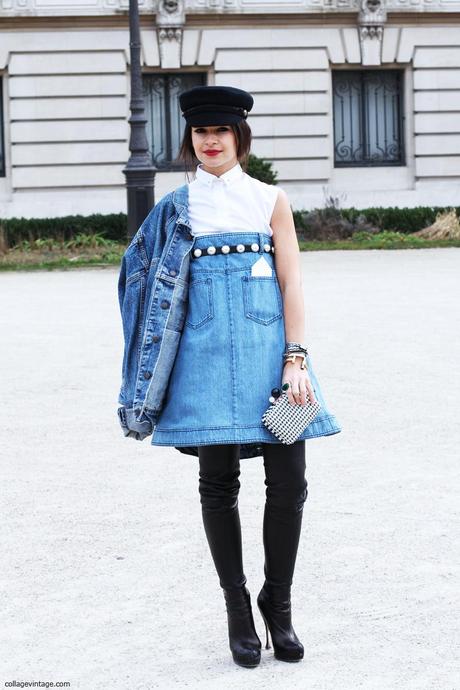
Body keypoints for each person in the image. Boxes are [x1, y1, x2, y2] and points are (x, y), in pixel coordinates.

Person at [117, 85, 341, 668]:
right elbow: (138, 282)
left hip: (274, 352)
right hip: (204, 356)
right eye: (200, 133)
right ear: (190, 140)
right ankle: (237, 608)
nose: (210, 142)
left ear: (240, 137)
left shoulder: (270, 199)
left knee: (289, 479)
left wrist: (296, 356)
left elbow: (292, 283)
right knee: (218, 484)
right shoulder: (176, 205)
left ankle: (279, 602)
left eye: (220, 132)